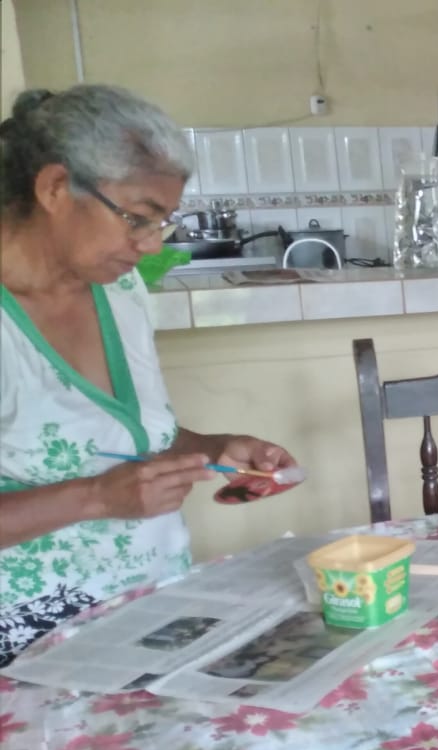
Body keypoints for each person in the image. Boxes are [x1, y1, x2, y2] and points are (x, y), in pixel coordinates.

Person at [0, 86, 295, 665]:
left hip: (151, 618)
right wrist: (95, 498)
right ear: (55, 187)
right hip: (25, 651)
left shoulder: (120, 290)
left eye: (163, 221)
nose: (151, 243)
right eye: (137, 217)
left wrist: (211, 449)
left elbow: (118, 437)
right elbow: (98, 479)